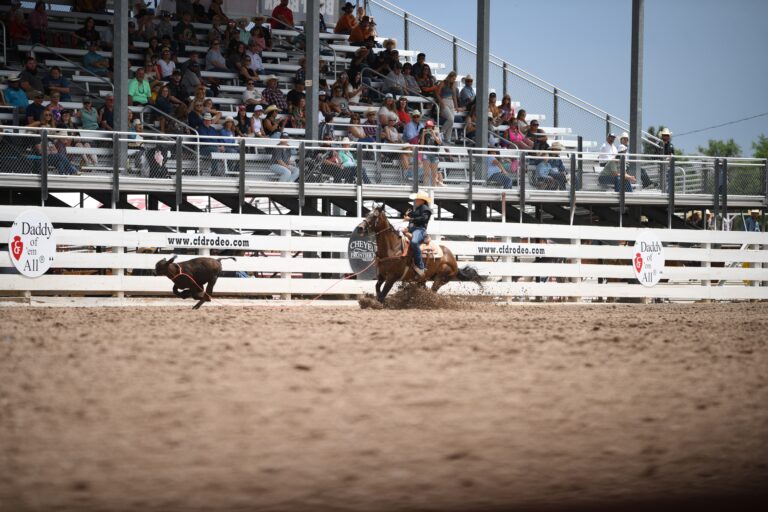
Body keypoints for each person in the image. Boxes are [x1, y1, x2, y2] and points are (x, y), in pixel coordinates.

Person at [403, 191, 433, 277]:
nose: (416, 199)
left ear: (422, 200)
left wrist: (410, 219)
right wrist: (408, 228)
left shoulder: (425, 209)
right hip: (414, 229)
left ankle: (421, 267)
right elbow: (413, 220)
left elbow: (423, 219)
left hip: (420, 230)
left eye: (417, 198)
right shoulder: (418, 208)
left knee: (414, 242)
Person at [419, 120, 444, 186]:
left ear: (433, 127)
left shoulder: (436, 133)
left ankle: (433, 189)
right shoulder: (423, 133)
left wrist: (433, 134)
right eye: (427, 127)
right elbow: (421, 146)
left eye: (430, 127)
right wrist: (423, 135)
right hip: (426, 154)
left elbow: (439, 143)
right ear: (425, 127)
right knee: (426, 173)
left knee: (434, 173)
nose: (429, 128)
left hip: (434, 154)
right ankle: (425, 189)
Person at [437, 71, 460, 143]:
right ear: (449, 77)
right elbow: (437, 94)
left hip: (451, 102)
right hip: (444, 100)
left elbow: (454, 96)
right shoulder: (443, 83)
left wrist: (456, 106)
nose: (454, 80)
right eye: (453, 78)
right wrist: (441, 102)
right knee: (451, 119)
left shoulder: (454, 84)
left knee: (452, 122)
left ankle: (447, 138)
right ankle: (441, 132)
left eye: (455, 78)